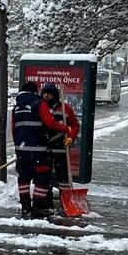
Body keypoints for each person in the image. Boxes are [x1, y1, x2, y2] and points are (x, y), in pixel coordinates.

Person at [12, 81, 71, 217]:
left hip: (22, 151)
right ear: (35, 92)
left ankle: (25, 207)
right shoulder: (39, 104)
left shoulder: (16, 108)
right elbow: (50, 123)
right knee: (42, 178)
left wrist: (19, 148)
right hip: (39, 150)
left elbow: (14, 130)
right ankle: (37, 206)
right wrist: (65, 128)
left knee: (24, 178)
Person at [39, 83, 81, 212]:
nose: (46, 95)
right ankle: (47, 203)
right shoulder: (40, 107)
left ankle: (66, 201)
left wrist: (70, 137)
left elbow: (75, 126)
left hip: (61, 150)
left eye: (49, 93)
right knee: (45, 177)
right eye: (44, 93)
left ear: (55, 95)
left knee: (63, 177)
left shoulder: (65, 109)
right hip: (45, 150)